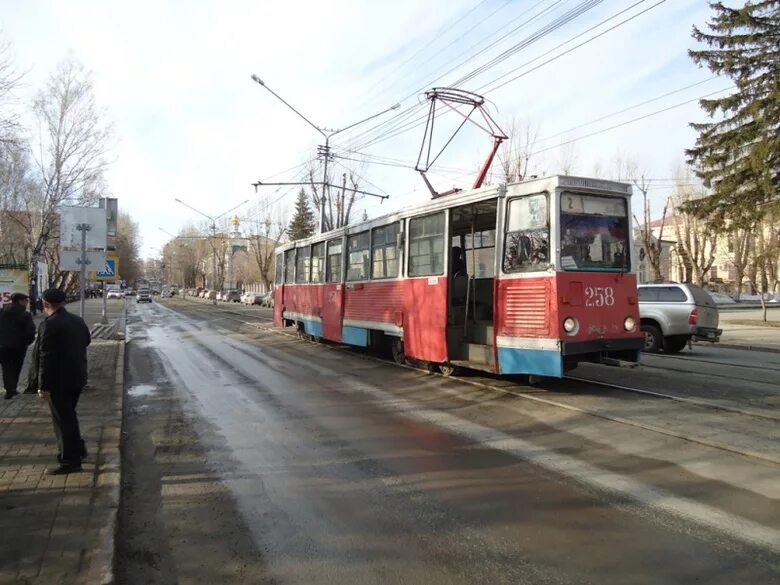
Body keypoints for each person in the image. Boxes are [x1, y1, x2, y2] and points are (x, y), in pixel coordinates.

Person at [35, 288, 91, 475]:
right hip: (78, 377)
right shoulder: (78, 321)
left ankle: (70, 461)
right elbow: (87, 341)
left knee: (62, 421)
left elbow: (46, 357)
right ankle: (79, 451)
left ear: (45, 304)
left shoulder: (48, 325)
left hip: (58, 382)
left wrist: (43, 385)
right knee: (69, 416)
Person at [0, 293, 36, 399]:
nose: (27, 302)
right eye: (25, 300)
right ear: (20, 301)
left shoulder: (1, 312)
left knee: (6, 367)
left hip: (2, 345)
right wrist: (27, 342)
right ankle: (12, 389)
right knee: (16, 367)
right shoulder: (25, 314)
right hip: (18, 347)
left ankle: (9, 389)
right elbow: (30, 331)